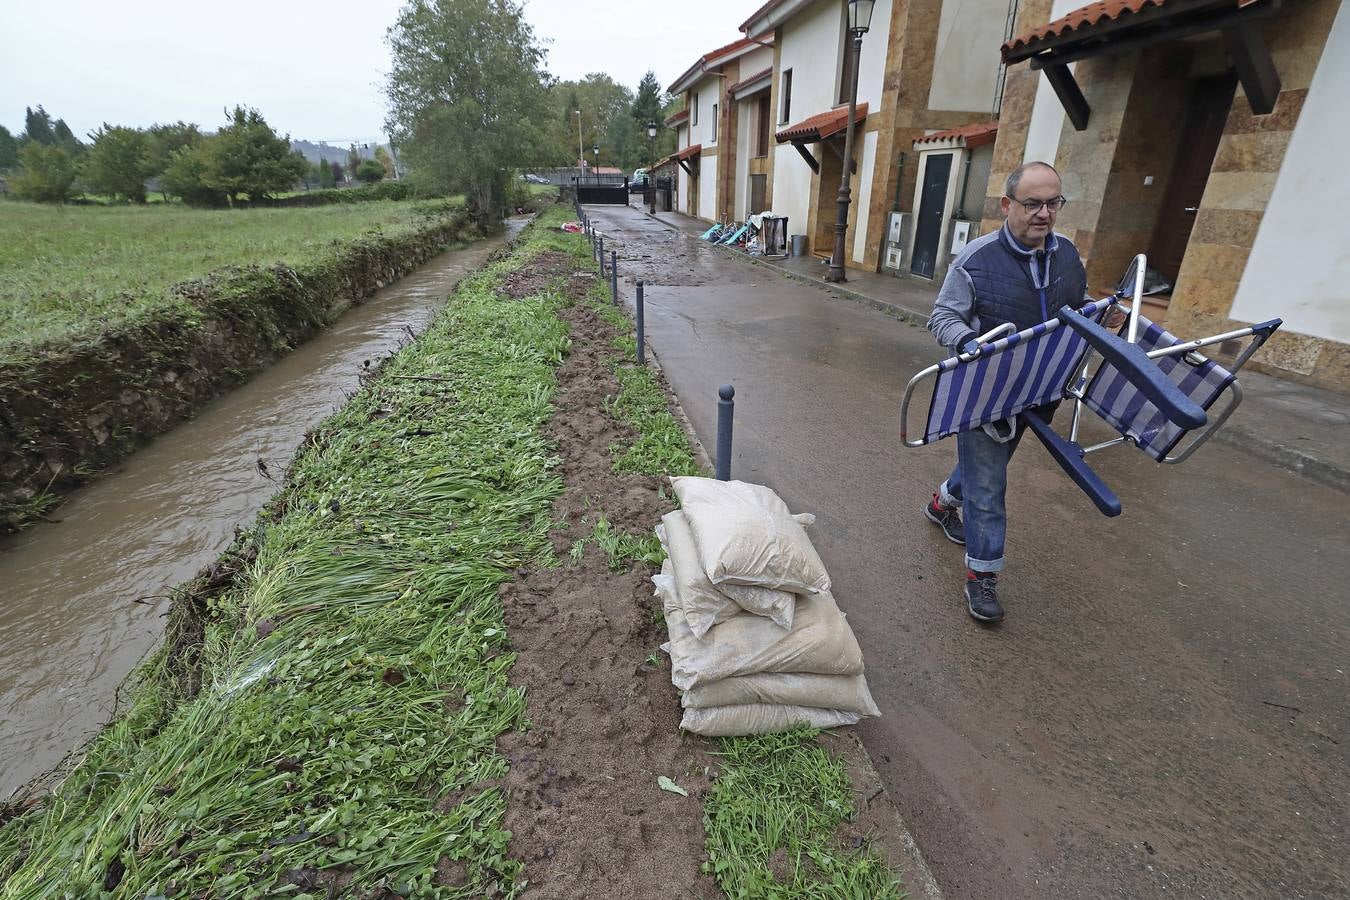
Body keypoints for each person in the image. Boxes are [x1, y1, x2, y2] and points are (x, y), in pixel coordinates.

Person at [924, 161, 1089, 624]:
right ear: (1006, 205)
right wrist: (971, 344)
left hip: (1040, 392)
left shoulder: (1068, 255)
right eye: (1032, 203)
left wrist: (1101, 318)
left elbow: (1078, 307)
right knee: (989, 488)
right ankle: (982, 576)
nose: (1044, 214)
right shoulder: (975, 260)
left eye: (1052, 203)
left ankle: (941, 504)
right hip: (986, 395)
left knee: (982, 472)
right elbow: (943, 318)